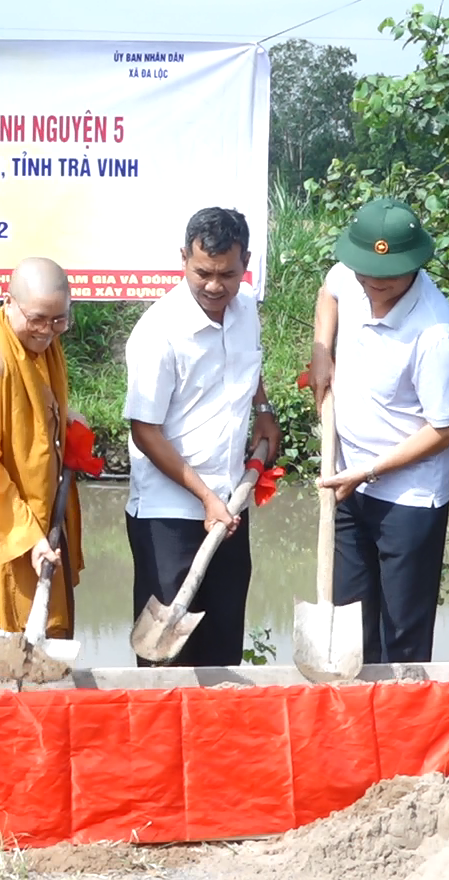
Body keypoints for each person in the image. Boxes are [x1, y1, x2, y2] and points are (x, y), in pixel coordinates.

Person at [308, 199, 449, 663]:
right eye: (367, 277)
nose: (375, 287)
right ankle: (351, 724)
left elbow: (448, 427)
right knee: (349, 620)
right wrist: (322, 349)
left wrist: (370, 470)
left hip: (408, 500)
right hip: (347, 482)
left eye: (390, 279)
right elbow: (330, 291)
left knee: (400, 633)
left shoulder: (435, 335)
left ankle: (400, 727)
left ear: (415, 267)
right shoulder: (351, 276)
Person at [124, 207, 278, 667]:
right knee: (164, 658)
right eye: (203, 273)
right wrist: (205, 497)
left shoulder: (246, 305)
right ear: (183, 260)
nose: (215, 286)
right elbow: (144, 431)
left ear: (245, 262)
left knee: (222, 647)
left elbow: (249, 364)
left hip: (229, 504)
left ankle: (218, 739)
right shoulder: (158, 333)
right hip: (168, 516)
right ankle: (158, 738)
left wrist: (263, 410)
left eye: (227, 274)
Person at [0, 258, 85, 669]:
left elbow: (40, 412)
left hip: (40, 513)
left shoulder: (40, 347)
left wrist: (66, 419)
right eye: (38, 319)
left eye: (60, 320)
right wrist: (29, 537)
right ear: (8, 304)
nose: (47, 331)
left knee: (43, 634)